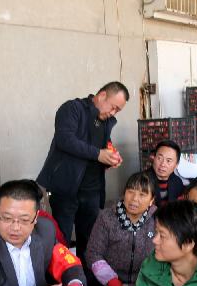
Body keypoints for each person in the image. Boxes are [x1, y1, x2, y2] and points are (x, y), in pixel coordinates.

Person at [36, 82, 128, 266]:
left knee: (90, 242)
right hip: (66, 189)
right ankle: (63, 285)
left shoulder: (106, 121)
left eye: (117, 111)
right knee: (60, 240)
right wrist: (98, 154)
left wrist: (111, 158)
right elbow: (65, 140)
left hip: (93, 191)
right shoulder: (72, 109)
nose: (113, 113)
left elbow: (103, 148)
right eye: (113, 107)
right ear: (102, 95)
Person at [85, 172, 157, 286]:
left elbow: (165, 255)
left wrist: (148, 276)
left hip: (146, 285)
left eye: (142, 195)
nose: (134, 199)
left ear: (151, 200)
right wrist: (110, 279)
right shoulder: (106, 217)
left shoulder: (158, 220)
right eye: (131, 192)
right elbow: (93, 253)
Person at [145, 140, 185, 207]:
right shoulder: (143, 180)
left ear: (176, 165)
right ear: (154, 158)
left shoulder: (177, 182)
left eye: (168, 161)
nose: (163, 164)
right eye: (160, 158)